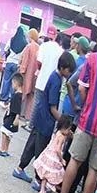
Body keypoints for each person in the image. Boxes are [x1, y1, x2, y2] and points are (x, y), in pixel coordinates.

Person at [55, 32, 97, 193]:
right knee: (94, 170)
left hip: (87, 120)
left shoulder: (93, 59)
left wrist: (87, 105)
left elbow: (80, 87)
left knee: (75, 161)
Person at [14, 51, 76, 182]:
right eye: (69, 71)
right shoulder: (56, 81)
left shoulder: (54, 76)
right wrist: (64, 124)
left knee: (31, 145)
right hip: (46, 120)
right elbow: (52, 107)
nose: (69, 74)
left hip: (40, 117)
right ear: (63, 68)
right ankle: (39, 179)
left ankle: (20, 168)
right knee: (42, 150)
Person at [34, 115, 76, 193]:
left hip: (49, 154)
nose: (69, 131)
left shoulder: (58, 132)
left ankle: (43, 189)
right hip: (54, 157)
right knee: (54, 173)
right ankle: (47, 188)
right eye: (68, 129)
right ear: (64, 127)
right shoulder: (61, 137)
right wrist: (61, 159)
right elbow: (58, 149)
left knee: (46, 174)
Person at [0, 73, 25, 157]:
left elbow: (18, 108)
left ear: (16, 83)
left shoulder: (18, 96)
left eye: (12, 83)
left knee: (5, 132)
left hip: (11, 117)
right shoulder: (17, 94)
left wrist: (17, 118)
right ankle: (5, 149)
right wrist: (7, 106)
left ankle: (3, 148)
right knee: (8, 133)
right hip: (11, 115)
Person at [0, 26, 28, 105]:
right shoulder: (25, 44)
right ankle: (10, 98)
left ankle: (3, 98)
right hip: (17, 64)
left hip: (9, 62)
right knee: (14, 82)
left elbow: (5, 49)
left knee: (6, 80)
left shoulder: (11, 39)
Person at [18, 28, 41, 121]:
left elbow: (25, 61)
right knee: (31, 96)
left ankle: (19, 112)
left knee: (23, 93)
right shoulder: (39, 48)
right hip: (35, 75)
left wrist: (21, 71)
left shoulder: (29, 47)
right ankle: (28, 116)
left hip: (27, 74)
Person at [38, 30, 67, 97]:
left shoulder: (43, 46)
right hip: (53, 83)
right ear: (60, 41)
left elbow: (39, 63)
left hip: (41, 81)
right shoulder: (61, 52)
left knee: (37, 102)